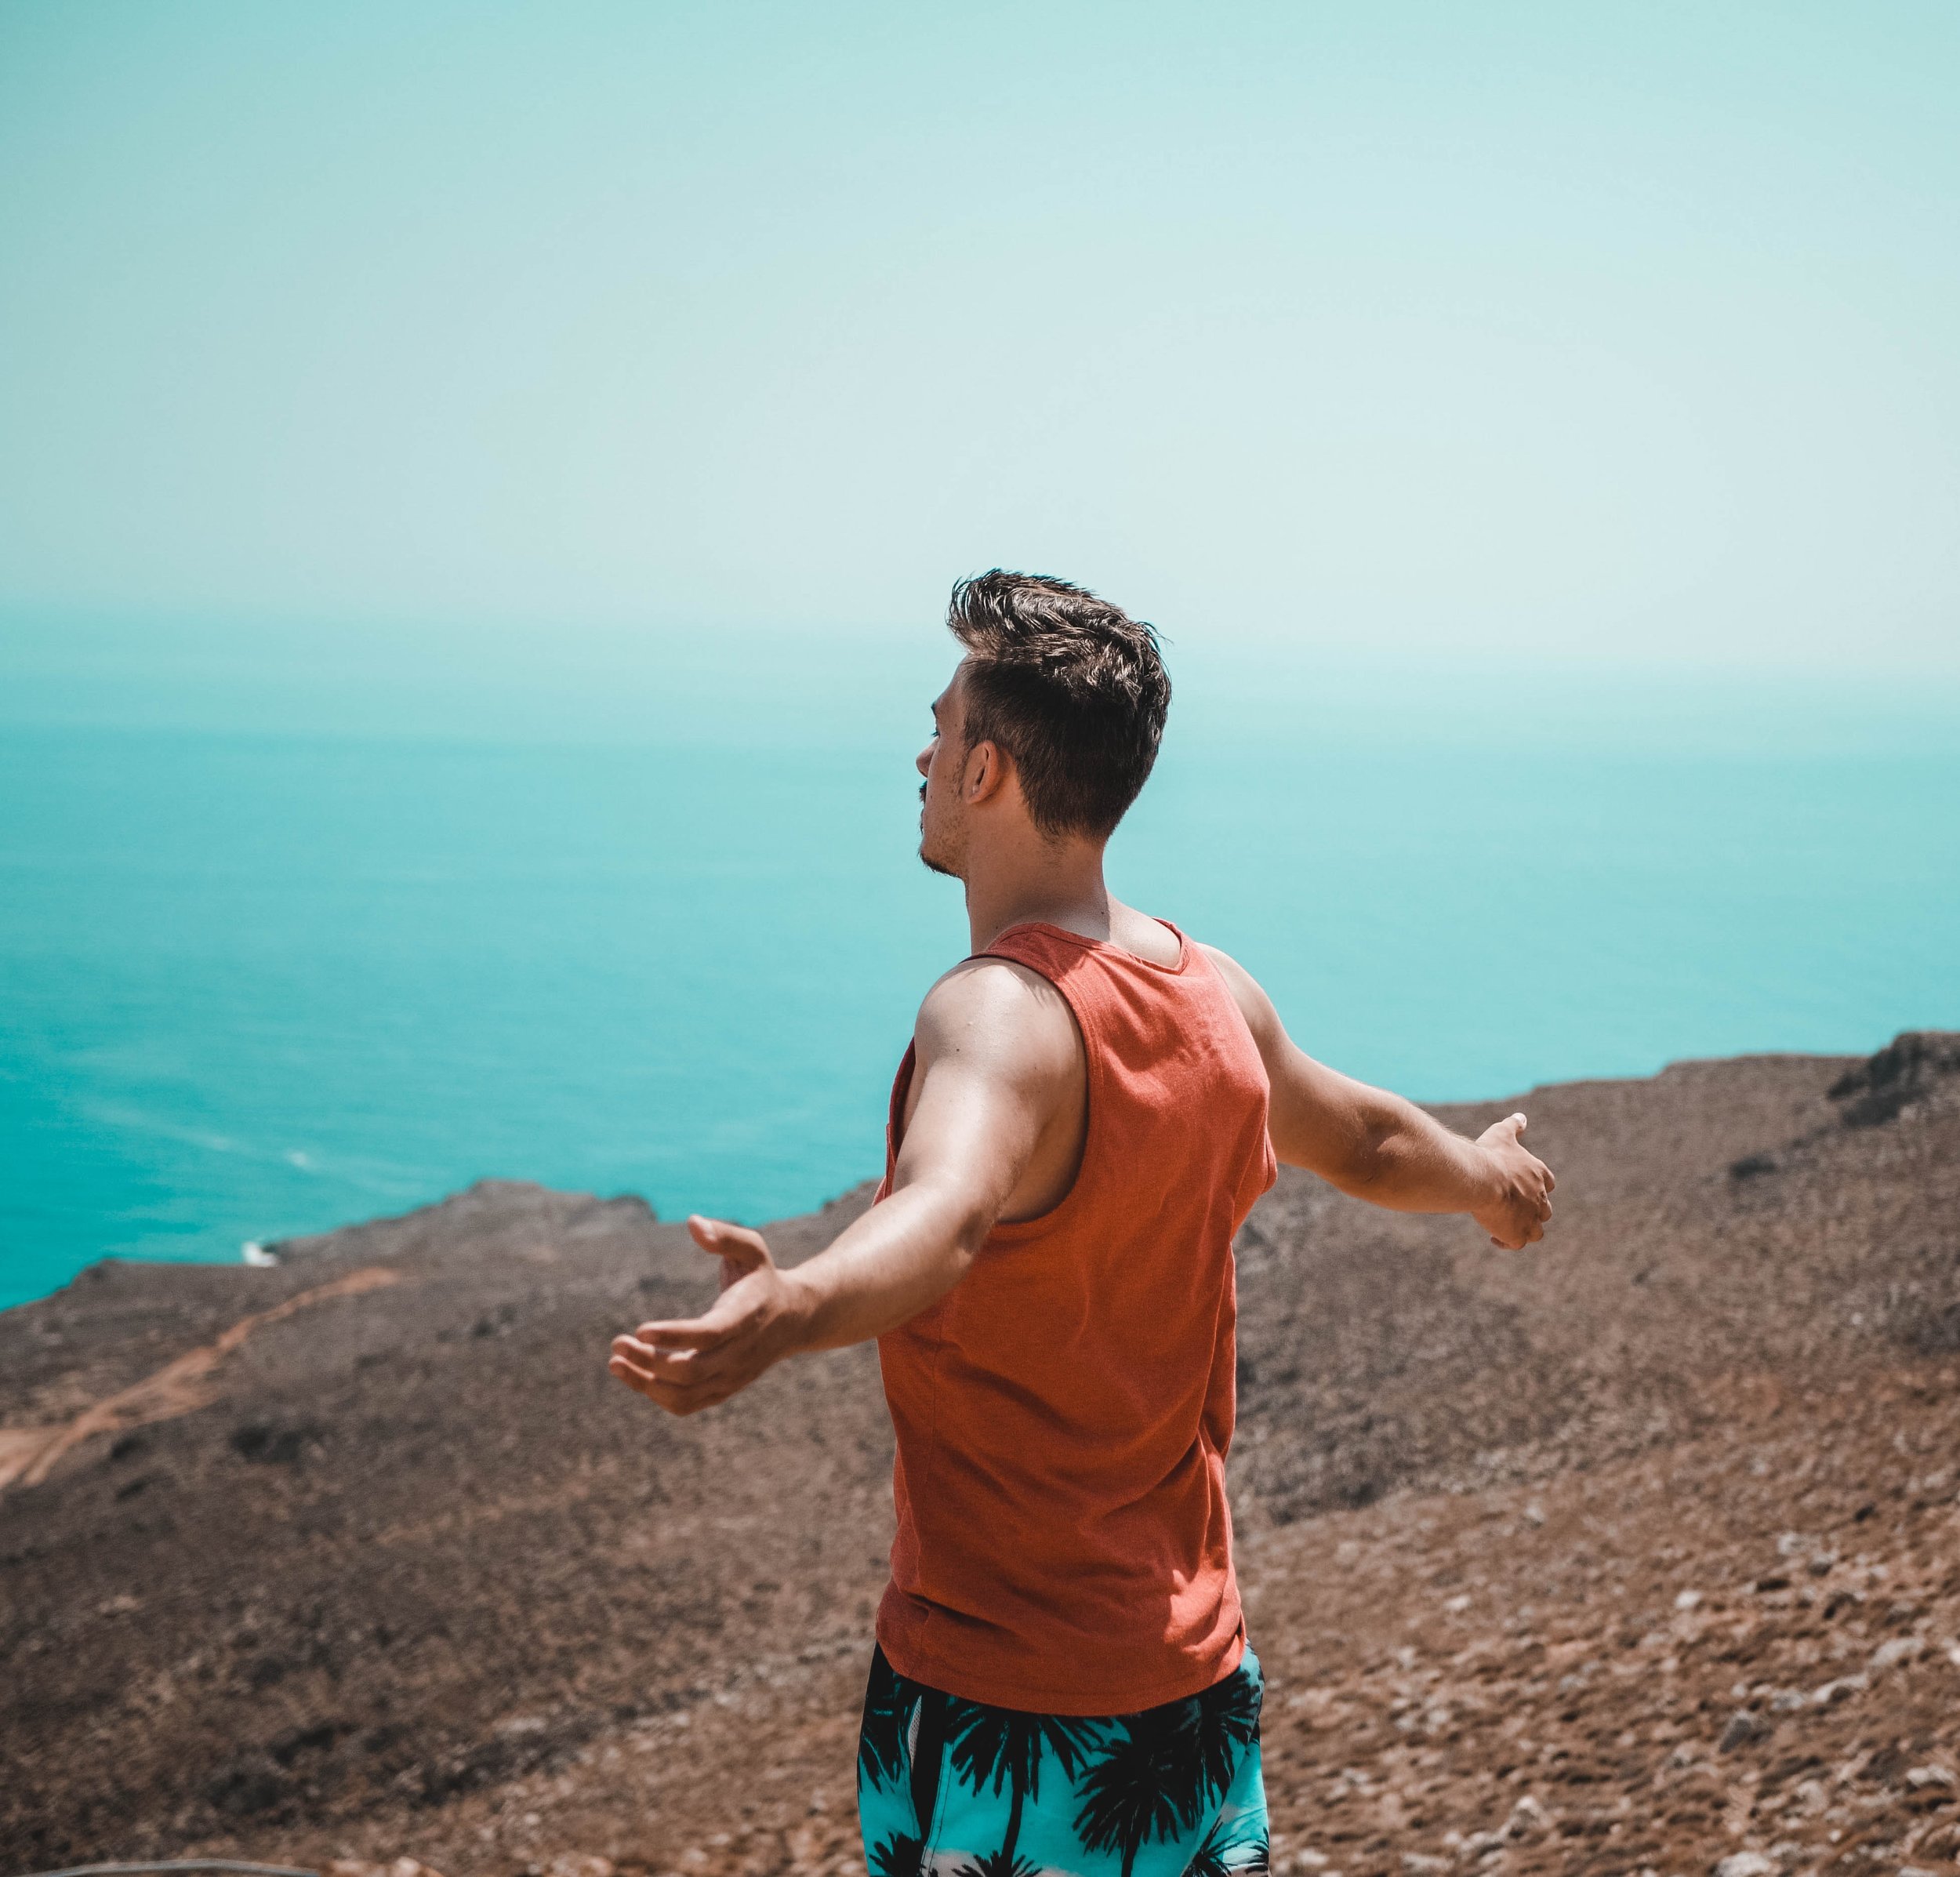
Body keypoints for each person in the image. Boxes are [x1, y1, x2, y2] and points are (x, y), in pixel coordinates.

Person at [608, 572, 1555, 1877]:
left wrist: (791, 1308)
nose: (923, 750)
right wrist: (1496, 1184)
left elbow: (944, 1213)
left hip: (1011, 1702)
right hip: (1196, 1687)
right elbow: (1374, 1139)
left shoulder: (995, 1011)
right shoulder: (1212, 991)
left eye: (941, 725)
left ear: (987, 770)